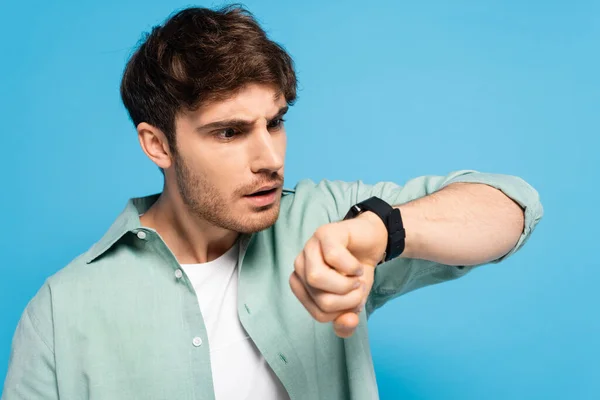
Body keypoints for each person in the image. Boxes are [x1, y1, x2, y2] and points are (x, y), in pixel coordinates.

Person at [1, 5, 543, 400]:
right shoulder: (60, 312)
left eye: (276, 122)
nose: (270, 157)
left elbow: (511, 207)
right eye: (230, 132)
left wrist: (383, 232)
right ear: (158, 144)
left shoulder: (330, 221)